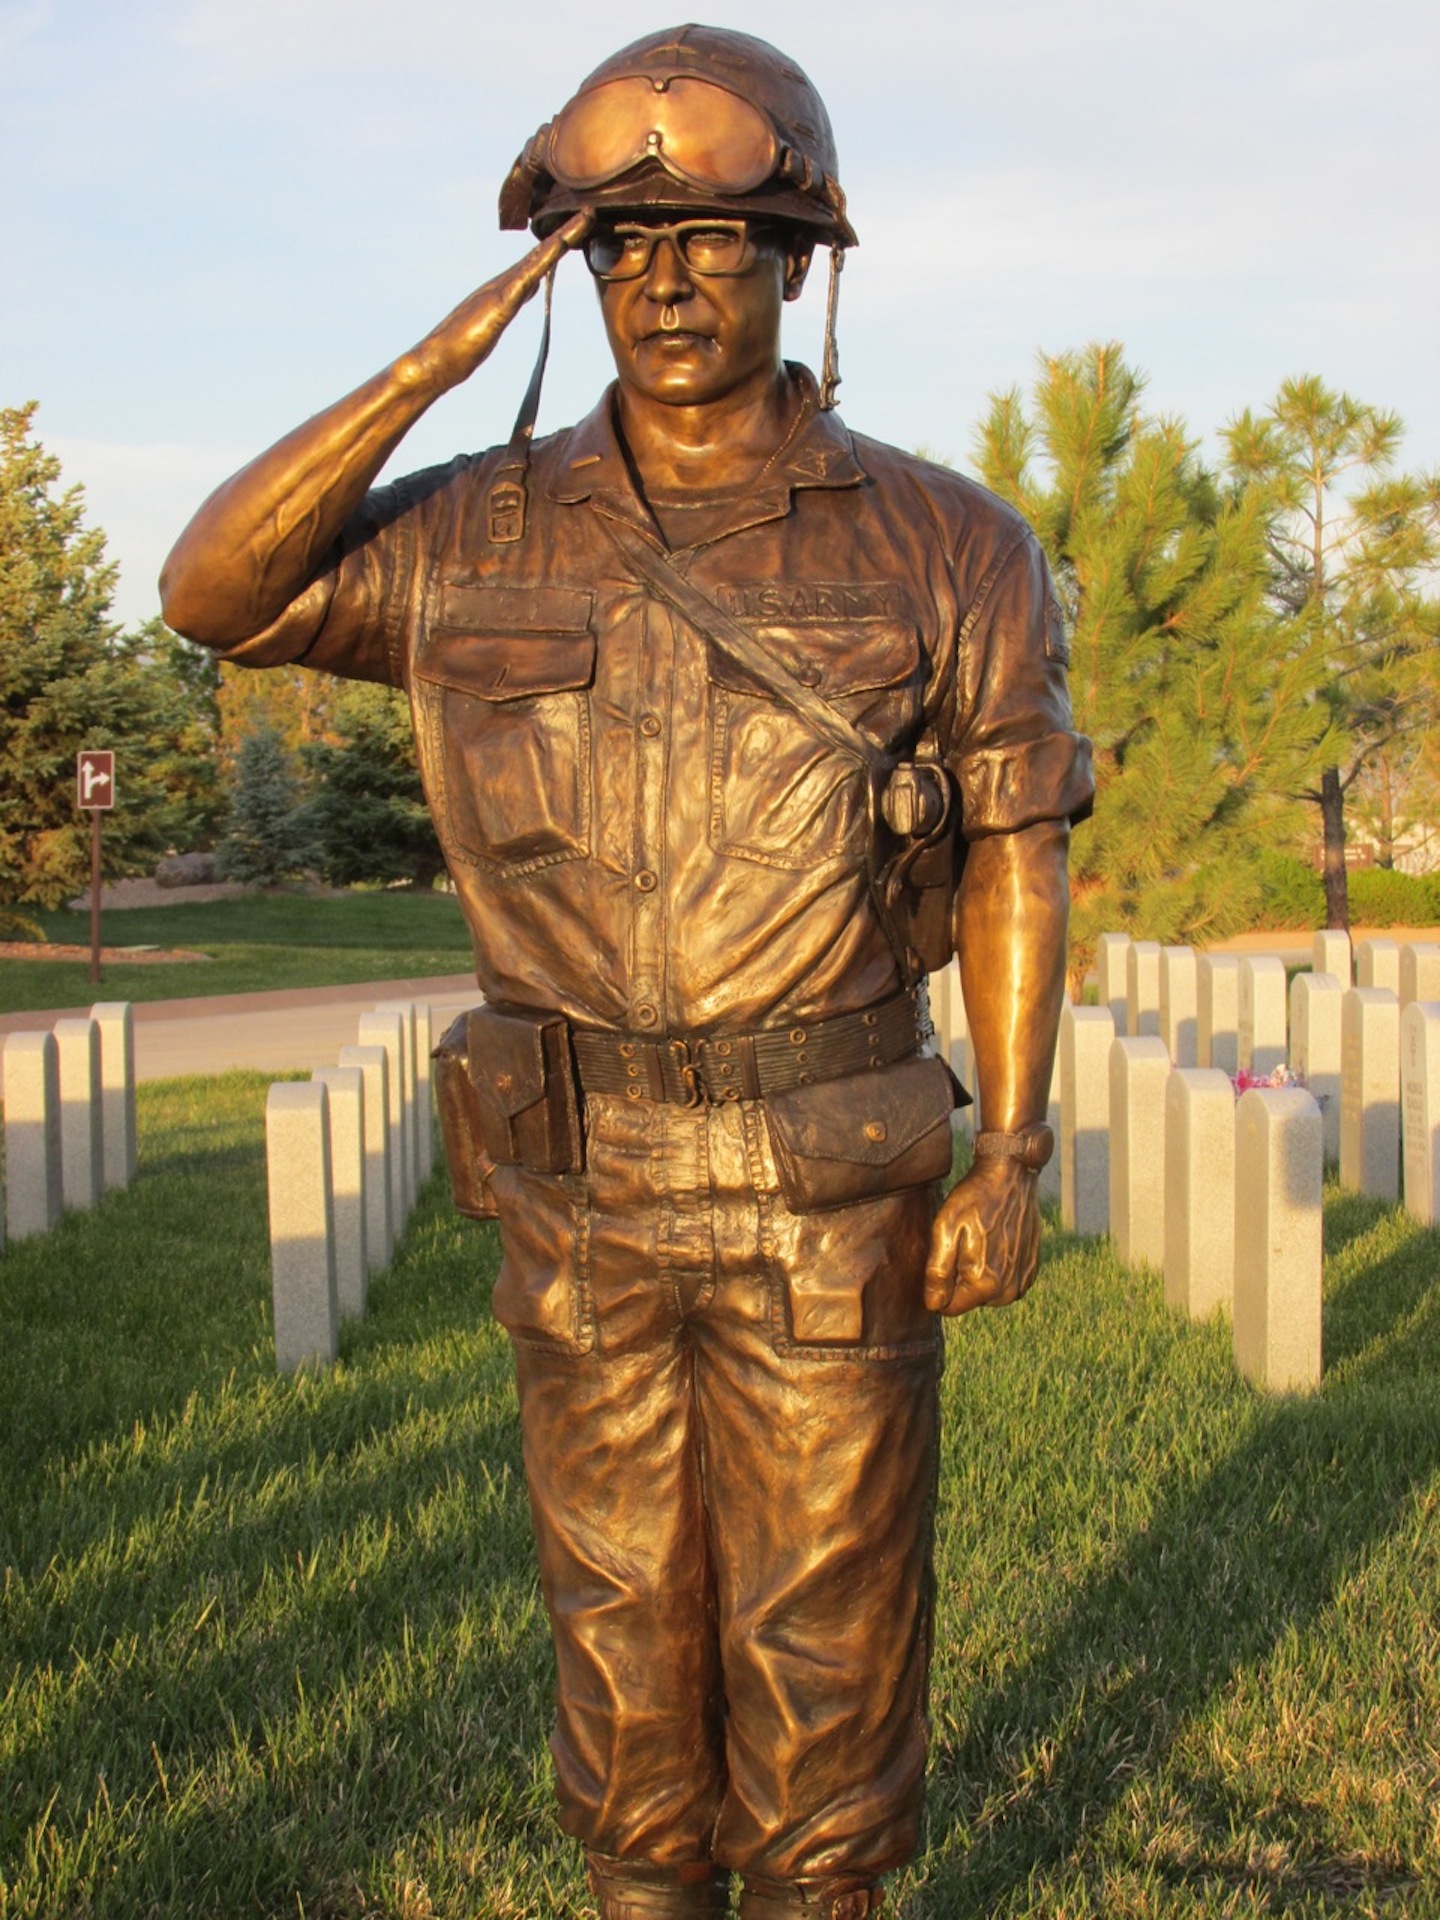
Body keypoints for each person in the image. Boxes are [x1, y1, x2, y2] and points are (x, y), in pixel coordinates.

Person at [161, 26, 1092, 1920]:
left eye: (710, 238)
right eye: (619, 246)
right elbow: (216, 593)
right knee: (620, 1673)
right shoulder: (471, 535)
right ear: (570, 278)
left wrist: (1015, 1153)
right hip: (578, 1192)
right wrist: (440, 358)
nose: (664, 281)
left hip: (828, 1183)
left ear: (799, 254)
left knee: (828, 1677)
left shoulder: (950, 546)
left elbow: (1018, 847)